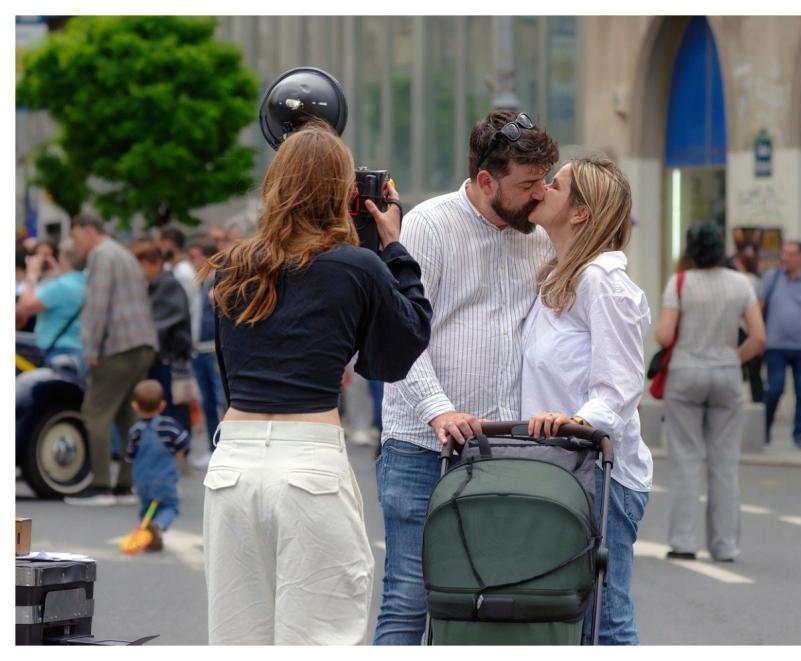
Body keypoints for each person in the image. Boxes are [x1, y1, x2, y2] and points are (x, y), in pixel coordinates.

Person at [197, 123, 432, 645]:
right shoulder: (357, 266)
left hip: (232, 464)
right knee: (319, 640)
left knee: (238, 641)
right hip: (308, 463)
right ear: (345, 194)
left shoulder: (234, 265)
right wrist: (394, 246)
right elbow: (399, 350)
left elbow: (229, 372)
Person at [375, 110, 558, 645]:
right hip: (419, 450)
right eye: (527, 184)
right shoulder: (428, 226)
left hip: (506, 451)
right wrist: (439, 410)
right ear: (485, 180)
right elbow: (400, 333)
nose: (539, 194)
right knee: (408, 601)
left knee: (493, 604)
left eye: (544, 180)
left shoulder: (537, 232)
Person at [520, 157, 651, 644]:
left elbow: (618, 387)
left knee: (606, 623)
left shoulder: (602, 282)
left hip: (602, 476)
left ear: (580, 213)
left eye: (556, 184)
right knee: (570, 622)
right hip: (560, 471)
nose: (542, 189)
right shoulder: (559, 277)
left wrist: (574, 420)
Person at [655, 222, 766, 565]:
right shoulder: (742, 284)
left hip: (686, 374)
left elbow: (663, 336)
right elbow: (759, 337)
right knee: (724, 463)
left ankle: (684, 542)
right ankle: (724, 546)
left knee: (687, 458)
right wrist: (732, 357)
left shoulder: (680, 283)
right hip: (726, 374)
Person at [64, 213, 158, 506]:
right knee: (126, 415)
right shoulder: (123, 253)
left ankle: (101, 485)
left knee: (95, 413)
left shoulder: (101, 255)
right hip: (142, 342)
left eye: (76, 236)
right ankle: (125, 485)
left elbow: (97, 304)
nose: (74, 244)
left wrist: (91, 348)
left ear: (89, 231)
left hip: (118, 346)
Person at [760, 241, 801, 448]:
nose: (785, 258)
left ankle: (799, 433)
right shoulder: (773, 277)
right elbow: (758, 306)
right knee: (775, 388)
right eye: (784, 253)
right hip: (775, 345)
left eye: (790, 254)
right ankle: (765, 427)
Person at [131, 240, 194, 434]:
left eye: (141, 265)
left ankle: (179, 458)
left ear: (156, 262)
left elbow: (159, 326)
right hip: (163, 361)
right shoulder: (155, 286)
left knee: (173, 416)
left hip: (169, 362)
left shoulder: (167, 285)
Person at [125, 379, 190, 551]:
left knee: (146, 511)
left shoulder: (135, 431)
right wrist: (180, 454)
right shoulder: (168, 426)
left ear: (135, 407)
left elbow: (130, 456)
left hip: (142, 482)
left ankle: (148, 537)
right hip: (164, 479)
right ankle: (159, 526)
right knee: (170, 506)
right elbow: (184, 442)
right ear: (162, 406)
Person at [15, 238, 87, 374]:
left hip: (59, 350)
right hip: (79, 349)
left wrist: (31, 275)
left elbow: (23, 308)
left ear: (62, 256)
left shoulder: (62, 285)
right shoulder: (84, 280)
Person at [186, 239, 226, 468]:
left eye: (196, 256)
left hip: (212, 347)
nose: (193, 262)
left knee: (220, 399)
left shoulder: (219, 281)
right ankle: (213, 447)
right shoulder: (201, 283)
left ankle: (223, 447)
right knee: (208, 401)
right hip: (200, 348)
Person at [731, 247, 763, 402]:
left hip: (742, 328)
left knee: (739, 365)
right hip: (750, 328)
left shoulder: (741, 282)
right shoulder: (756, 280)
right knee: (754, 370)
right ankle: (758, 400)